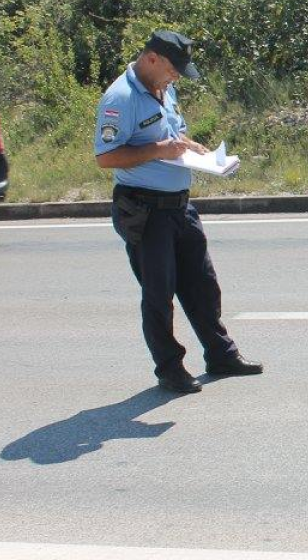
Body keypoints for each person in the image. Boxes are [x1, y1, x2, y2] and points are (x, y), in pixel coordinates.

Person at [94, 30, 262, 393]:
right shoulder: (119, 98)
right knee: (159, 294)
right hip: (144, 209)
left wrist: (191, 148)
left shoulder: (163, 89)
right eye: (173, 69)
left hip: (180, 207)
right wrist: (158, 150)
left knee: (202, 285)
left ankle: (220, 354)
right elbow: (106, 157)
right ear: (152, 58)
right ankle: (169, 369)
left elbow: (174, 136)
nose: (176, 78)